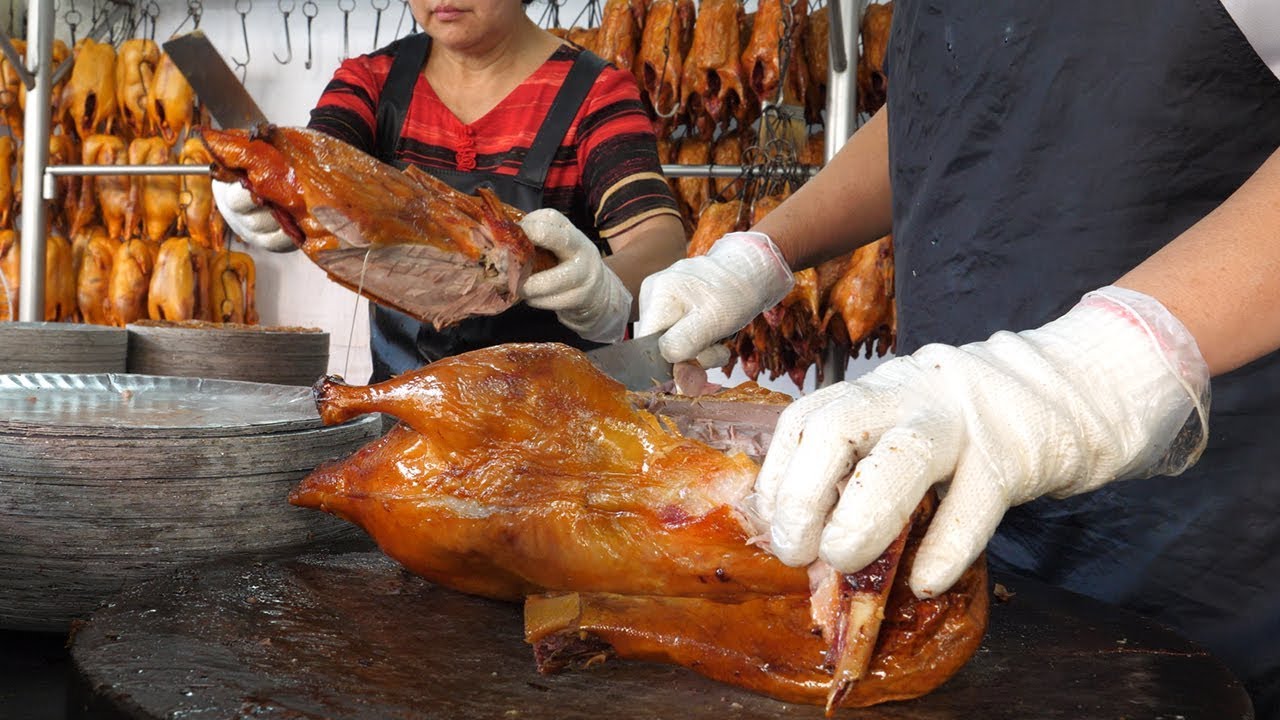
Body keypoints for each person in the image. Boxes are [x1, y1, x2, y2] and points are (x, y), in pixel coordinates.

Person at [637, 3, 1280, 716]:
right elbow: (946, 110)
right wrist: (765, 253)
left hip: (1200, 543)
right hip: (962, 519)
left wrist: (1104, 364)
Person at [213, 0, 685, 381]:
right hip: (405, 422)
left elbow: (659, 242)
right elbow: (317, 160)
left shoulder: (596, 93)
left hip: (558, 422)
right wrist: (271, 190)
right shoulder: (372, 82)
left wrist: (599, 286)